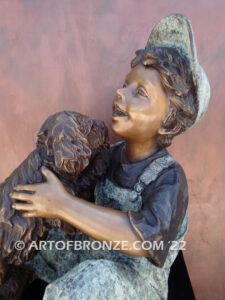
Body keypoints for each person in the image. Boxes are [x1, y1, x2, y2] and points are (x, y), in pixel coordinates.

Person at [10, 14, 210, 300]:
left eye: (139, 92)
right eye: (126, 84)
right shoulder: (109, 155)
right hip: (90, 251)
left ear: (168, 122)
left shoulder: (169, 177)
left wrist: (63, 205)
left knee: (95, 280)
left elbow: (148, 241)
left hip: (133, 280)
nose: (120, 93)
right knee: (29, 243)